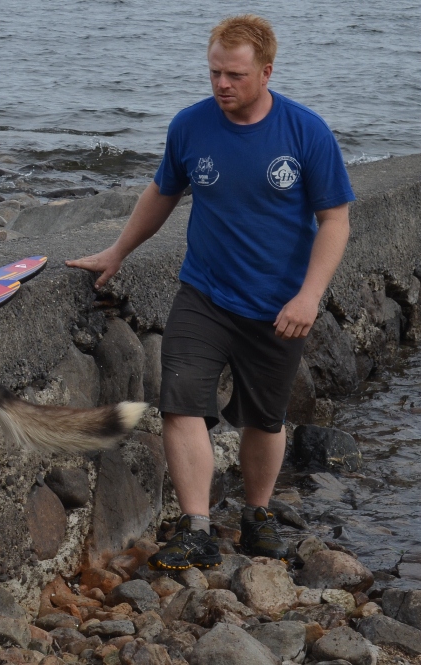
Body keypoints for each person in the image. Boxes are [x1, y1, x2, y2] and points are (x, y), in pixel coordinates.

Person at [67, 14, 354, 569]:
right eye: (215, 72)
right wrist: (117, 251)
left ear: (266, 72)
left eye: (236, 75)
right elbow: (161, 193)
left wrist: (309, 296)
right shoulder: (191, 126)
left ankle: (256, 514)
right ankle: (197, 526)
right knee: (181, 401)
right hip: (204, 294)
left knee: (265, 420)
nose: (222, 84)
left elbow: (335, 221)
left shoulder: (305, 132)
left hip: (278, 304)